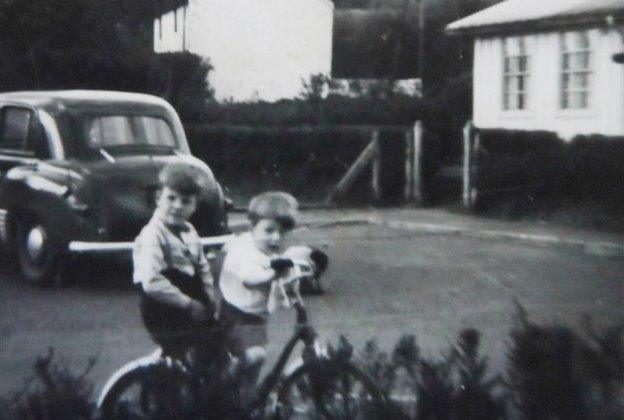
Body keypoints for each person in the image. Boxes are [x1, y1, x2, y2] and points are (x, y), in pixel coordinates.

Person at [218, 191, 299, 401]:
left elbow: (286, 262)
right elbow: (250, 278)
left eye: (282, 233)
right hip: (236, 316)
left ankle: (244, 402)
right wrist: (274, 274)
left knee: (254, 368)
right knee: (255, 356)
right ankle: (224, 382)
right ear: (252, 226)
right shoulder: (245, 250)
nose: (276, 238)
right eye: (269, 230)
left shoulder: (265, 249)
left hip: (255, 317)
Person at [133, 162, 217, 359]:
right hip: (163, 309)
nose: (177, 206)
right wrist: (189, 304)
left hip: (189, 302)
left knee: (215, 348)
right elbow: (151, 281)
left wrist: (209, 296)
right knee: (182, 352)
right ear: (158, 198)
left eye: (186, 201)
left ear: (195, 205)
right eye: (171, 198)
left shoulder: (190, 232)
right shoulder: (152, 235)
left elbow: (201, 266)